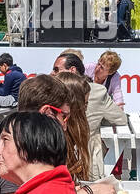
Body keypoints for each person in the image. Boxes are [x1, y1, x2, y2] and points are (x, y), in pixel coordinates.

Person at [53, 53, 124, 181]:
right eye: (98, 64)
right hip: (84, 158)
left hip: (58, 159)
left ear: (72, 70)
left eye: (56, 69)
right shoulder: (97, 89)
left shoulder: (52, 90)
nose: (52, 73)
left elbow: (119, 100)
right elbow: (120, 118)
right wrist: (101, 117)